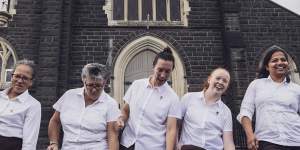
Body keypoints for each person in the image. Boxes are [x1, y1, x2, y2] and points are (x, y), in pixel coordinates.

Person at [116, 47, 181, 150]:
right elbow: (126, 111)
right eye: (160, 70)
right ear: (153, 66)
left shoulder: (173, 98)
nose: (163, 75)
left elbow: (171, 130)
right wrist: (121, 119)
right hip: (127, 144)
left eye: (167, 71)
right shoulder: (137, 85)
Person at [237, 45, 300, 150]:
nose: (280, 62)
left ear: (288, 64)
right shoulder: (256, 85)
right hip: (267, 141)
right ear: (267, 66)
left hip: (296, 141)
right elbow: (245, 112)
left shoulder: (296, 89)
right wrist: (250, 135)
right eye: (274, 60)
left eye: (283, 60)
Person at [47, 63, 120, 150]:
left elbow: (112, 136)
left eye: (98, 86)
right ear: (83, 80)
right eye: (90, 85)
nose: (94, 89)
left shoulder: (110, 104)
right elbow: (55, 121)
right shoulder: (69, 96)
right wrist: (53, 143)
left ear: (104, 83)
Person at [179, 67, 235, 150]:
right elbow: (174, 126)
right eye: (218, 78)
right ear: (209, 79)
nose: (220, 82)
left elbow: (228, 142)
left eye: (225, 81)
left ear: (227, 86)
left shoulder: (226, 111)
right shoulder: (188, 98)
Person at [0, 59, 41, 150]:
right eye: (17, 76)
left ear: (31, 82)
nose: (19, 81)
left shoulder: (33, 105)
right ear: (12, 77)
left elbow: (30, 140)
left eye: (25, 78)